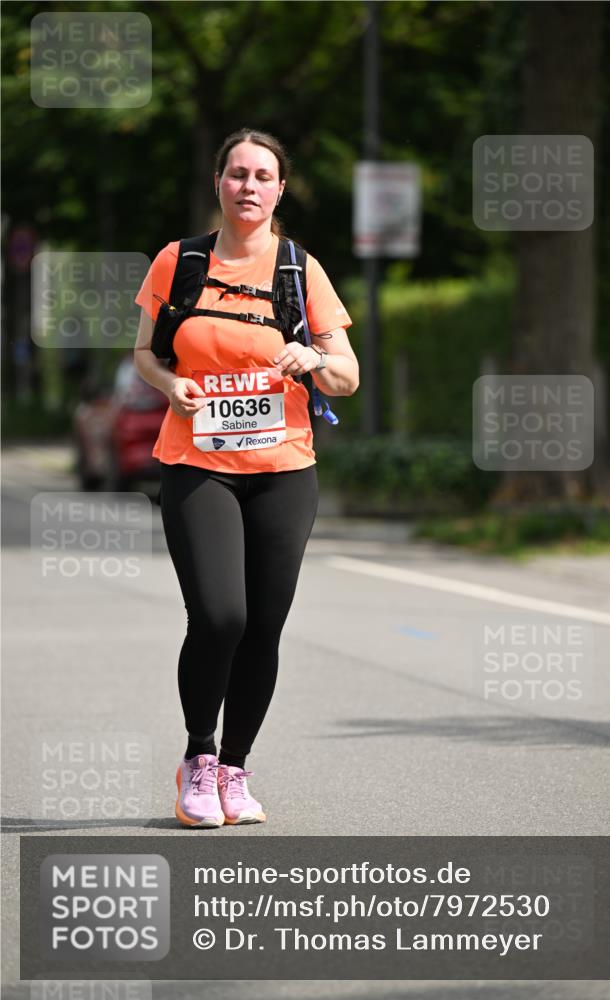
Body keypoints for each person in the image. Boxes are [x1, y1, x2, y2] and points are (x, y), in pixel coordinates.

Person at [133, 128, 359, 828]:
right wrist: (171, 386)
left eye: (263, 175)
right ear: (218, 183)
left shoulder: (299, 269)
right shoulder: (180, 261)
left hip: (284, 470)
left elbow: (347, 376)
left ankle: (234, 769)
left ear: (280, 189)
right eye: (237, 174)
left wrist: (308, 357)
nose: (249, 186)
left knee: (263, 627)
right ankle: (198, 759)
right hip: (198, 465)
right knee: (219, 615)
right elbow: (145, 354)